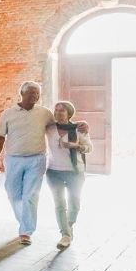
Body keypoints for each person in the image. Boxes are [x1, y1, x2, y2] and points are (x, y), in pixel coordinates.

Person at [0, 81, 52, 245]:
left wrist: (80, 128)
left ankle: (26, 231)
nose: (35, 96)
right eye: (32, 93)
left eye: (37, 93)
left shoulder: (45, 113)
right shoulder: (9, 114)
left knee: (30, 195)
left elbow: (58, 129)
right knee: (13, 194)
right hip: (14, 159)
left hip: (37, 159)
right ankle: (24, 220)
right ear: (22, 94)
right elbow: (0, 136)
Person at [46, 100, 91, 250]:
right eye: (56, 110)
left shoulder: (78, 129)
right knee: (59, 204)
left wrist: (76, 146)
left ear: (69, 113)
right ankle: (65, 235)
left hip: (75, 172)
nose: (58, 113)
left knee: (75, 204)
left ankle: (69, 226)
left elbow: (89, 148)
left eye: (62, 110)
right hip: (53, 171)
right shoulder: (49, 128)